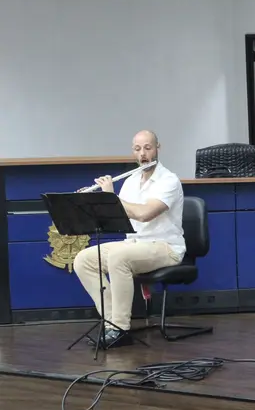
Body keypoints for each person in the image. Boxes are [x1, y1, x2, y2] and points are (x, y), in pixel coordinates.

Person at [73, 130, 185, 347]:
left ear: (157, 148)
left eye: (148, 148)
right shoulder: (131, 181)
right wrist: (91, 200)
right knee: (83, 260)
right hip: (134, 244)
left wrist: (111, 197)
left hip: (165, 247)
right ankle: (111, 324)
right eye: (137, 149)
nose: (143, 154)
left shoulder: (169, 180)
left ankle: (120, 329)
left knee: (118, 257)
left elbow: (144, 214)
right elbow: (117, 213)